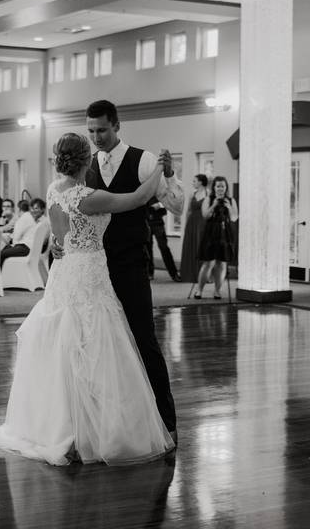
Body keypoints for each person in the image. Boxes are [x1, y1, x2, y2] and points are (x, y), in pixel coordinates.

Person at [0, 132, 175, 465]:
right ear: (87, 160)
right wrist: (159, 167)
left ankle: (61, 425)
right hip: (88, 274)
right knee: (93, 344)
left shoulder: (55, 190)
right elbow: (139, 198)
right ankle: (89, 430)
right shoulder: (89, 196)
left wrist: (59, 244)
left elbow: (59, 234)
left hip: (64, 270)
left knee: (63, 345)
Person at [81, 99, 182, 443]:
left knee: (143, 339)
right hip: (95, 267)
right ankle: (112, 418)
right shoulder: (88, 164)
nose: (96, 137)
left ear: (117, 125)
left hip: (130, 264)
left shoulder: (144, 161)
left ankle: (166, 420)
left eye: (102, 130)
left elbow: (176, 204)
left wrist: (167, 175)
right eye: (91, 130)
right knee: (101, 343)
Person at [195, 176, 238, 300]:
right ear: (214, 187)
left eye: (222, 186)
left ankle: (217, 291)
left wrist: (229, 207)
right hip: (211, 232)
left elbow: (234, 218)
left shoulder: (231, 200)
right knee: (208, 262)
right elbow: (205, 215)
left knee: (222, 263)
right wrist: (213, 205)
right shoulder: (208, 198)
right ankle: (199, 290)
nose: (220, 188)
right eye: (218, 186)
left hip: (225, 233)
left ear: (226, 187)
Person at [179, 174, 209, 284]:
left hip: (203, 223)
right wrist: (186, 225)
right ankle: (189, 275)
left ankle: (203, 275)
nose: (193, 183)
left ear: (201, 182)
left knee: (200, 246)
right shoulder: (192, 194)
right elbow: (188, 210)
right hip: (192, 223)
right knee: (190, 246)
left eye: (194, 181)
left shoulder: (208, 193)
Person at [0, 198, 45, 267]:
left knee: (1, 253)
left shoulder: (24, 218)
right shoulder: (35, 219)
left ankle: (2, 275)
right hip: (33, 248)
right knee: (6, 249)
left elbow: (15, 238)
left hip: (26, 247)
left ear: (19, 209)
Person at [146, 200, 181, 281]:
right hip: (146, 221)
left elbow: (167, 201)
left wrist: (160, 204)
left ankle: (174, 274)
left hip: (158, 222)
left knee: (164, 248)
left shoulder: (159, 189)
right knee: (147, 248)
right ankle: (149, 273)